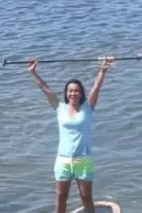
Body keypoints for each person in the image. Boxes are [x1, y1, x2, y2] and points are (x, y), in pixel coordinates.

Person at [29, 56, 113, 213]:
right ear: (66, 93)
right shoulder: (59, 107)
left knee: (86, 197)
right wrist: (33, 73)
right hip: (63, 160)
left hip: (83, 160)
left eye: (77, 91)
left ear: (81, 94)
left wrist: (103, 70)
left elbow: (96, 87)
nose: (73, 93)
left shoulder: (88, 108)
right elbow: (45, 88)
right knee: (61, 196)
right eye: (70, 91)